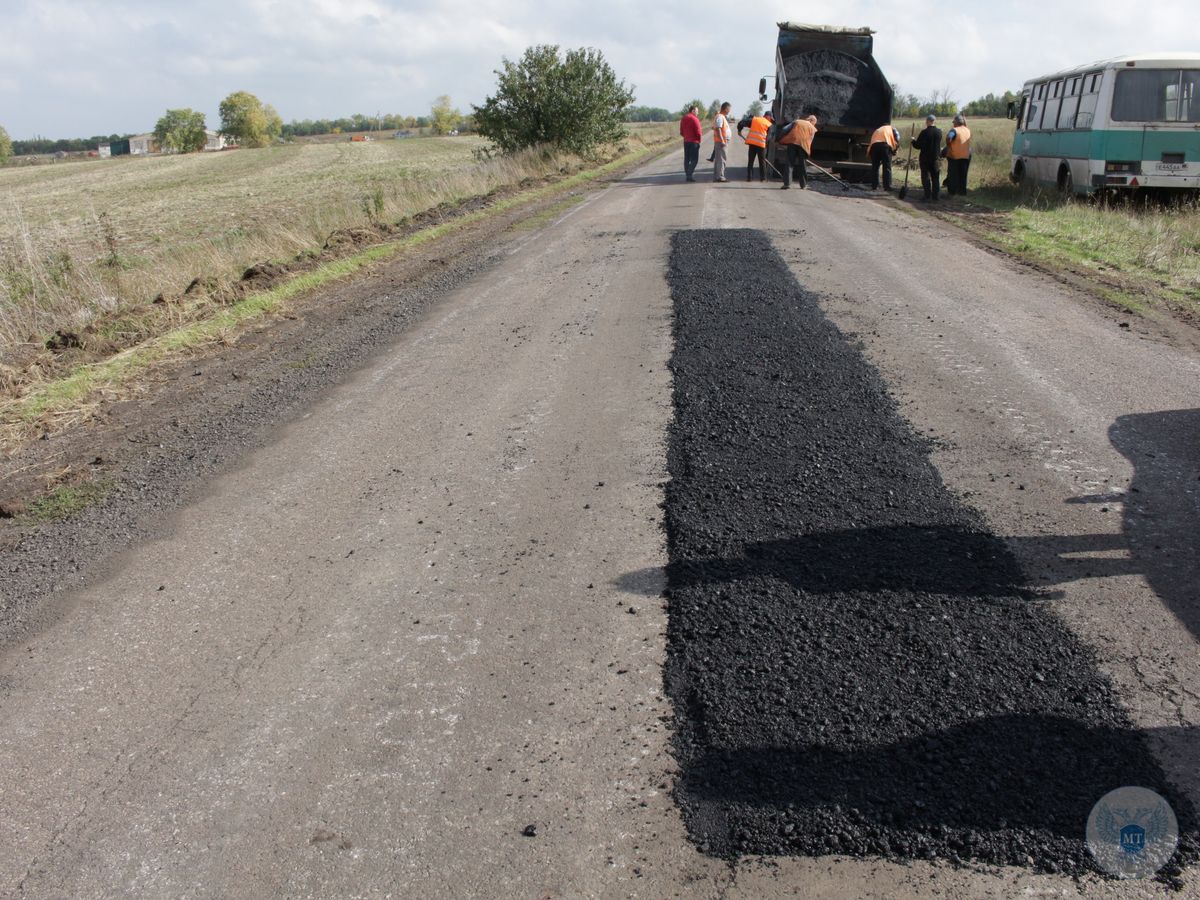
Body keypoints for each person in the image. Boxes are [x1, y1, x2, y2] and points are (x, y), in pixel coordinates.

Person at [776, 114, 817, 190]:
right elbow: (810, 140)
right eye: (814, 123)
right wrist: (807, 151)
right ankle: (803, 185)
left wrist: (779, 139)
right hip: (804, 146)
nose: (814, 124)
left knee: (789, 163)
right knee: (803, 165)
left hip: (793, 143)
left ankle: (787, 184)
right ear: (812, 121)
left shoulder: (797, 121)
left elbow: (785, 129)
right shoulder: (813, 128)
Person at [911, 114, 942, 201]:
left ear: (928, 121)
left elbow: (918, 146)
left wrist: (913, 141)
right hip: (936, 159)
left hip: (925, 159)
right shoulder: (939, 132)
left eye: (926, 121)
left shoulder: (924, 132)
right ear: (934, 121)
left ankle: (927, 195)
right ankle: (936, 196)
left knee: (926, 177)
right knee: (935, 178)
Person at [737, 110, 774, 182]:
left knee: (751, 161)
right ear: (768, 116)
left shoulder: (754, 119)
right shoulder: (769, 124)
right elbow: (769, 137)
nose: (771, 120)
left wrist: (739, 130)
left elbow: (741, 122)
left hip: (752, 143)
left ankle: (749, 178)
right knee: (762, 162)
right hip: (761, 145)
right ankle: (763, 178)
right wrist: (765, 146)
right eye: (771, 118)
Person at [867, 123, 900, 191]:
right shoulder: (892, 129)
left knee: (875, 167)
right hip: (884, 146)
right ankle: (887, 186)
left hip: (874, 147)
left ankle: (874, 186)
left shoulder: (878, 130)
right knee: (886, 167)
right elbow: (897, 139)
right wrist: (895, 150)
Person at [945, 114, 972, 195]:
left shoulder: (954, 130)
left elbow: (949, 138)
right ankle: (962, 192)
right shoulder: (967, 130)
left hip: (954, 156)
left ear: (956, 122)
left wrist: (948, 145)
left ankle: (952, 192)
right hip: (966, 156)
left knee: (953, 175)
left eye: (954, 122)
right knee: (963, 175)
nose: (953, 124)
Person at [679, 105, 702, 182]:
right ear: (693, 111)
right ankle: (689, 174)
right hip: (694, 142)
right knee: (694, 159)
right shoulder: (695, 119)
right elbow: (698, 132)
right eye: (697, 111)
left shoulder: (683, 118)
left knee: (687, 158)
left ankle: (687, 174)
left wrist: (685, 136)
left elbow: (681, 131)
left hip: (686, 141)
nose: (698, 112)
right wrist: (698, 140)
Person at [712, 102, 732, 182]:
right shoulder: (720, 117)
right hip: (721, 142)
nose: (729, 111)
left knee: (719, 159)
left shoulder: (721, 116)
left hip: (720, 141)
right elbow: (718, 128)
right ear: (726, 109)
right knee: (721, 159)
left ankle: (717, 176)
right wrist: (722, 140)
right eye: (729, 109)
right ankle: (720, 177)